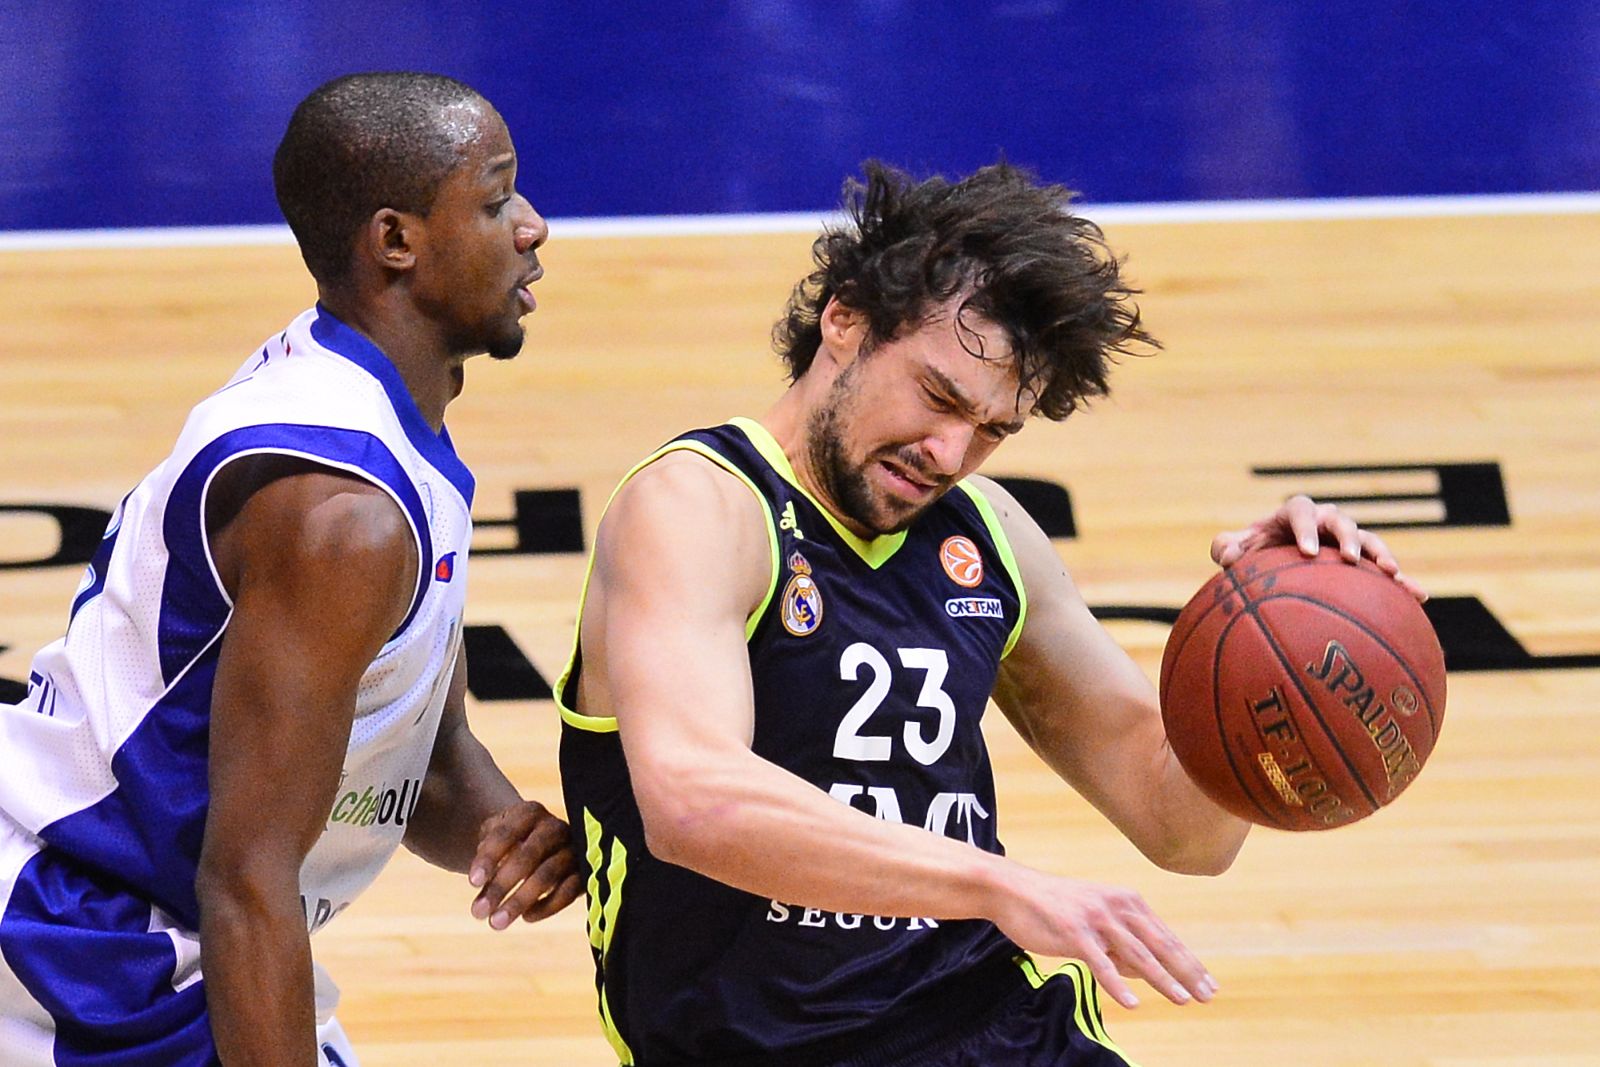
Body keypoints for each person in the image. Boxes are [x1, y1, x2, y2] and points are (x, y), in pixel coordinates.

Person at [552, 161, 1427, 1066]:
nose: (949, 453)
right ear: (845, 320)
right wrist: (994, 884)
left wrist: (1270, 638)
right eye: (938, 397)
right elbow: (694, 803)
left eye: (993, 430)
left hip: (989, 1026)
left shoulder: (990, 532)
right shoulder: (699, 506)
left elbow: (1182, 829)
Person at [0, 72, 580, 1067]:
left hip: (153, 917)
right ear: (395, 240)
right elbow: (245, 878)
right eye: (495, 200)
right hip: (84, 939)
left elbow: (426, 761)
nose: (533, 226)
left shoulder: (377, 414)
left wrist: (514, 834)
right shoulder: (340, 518)